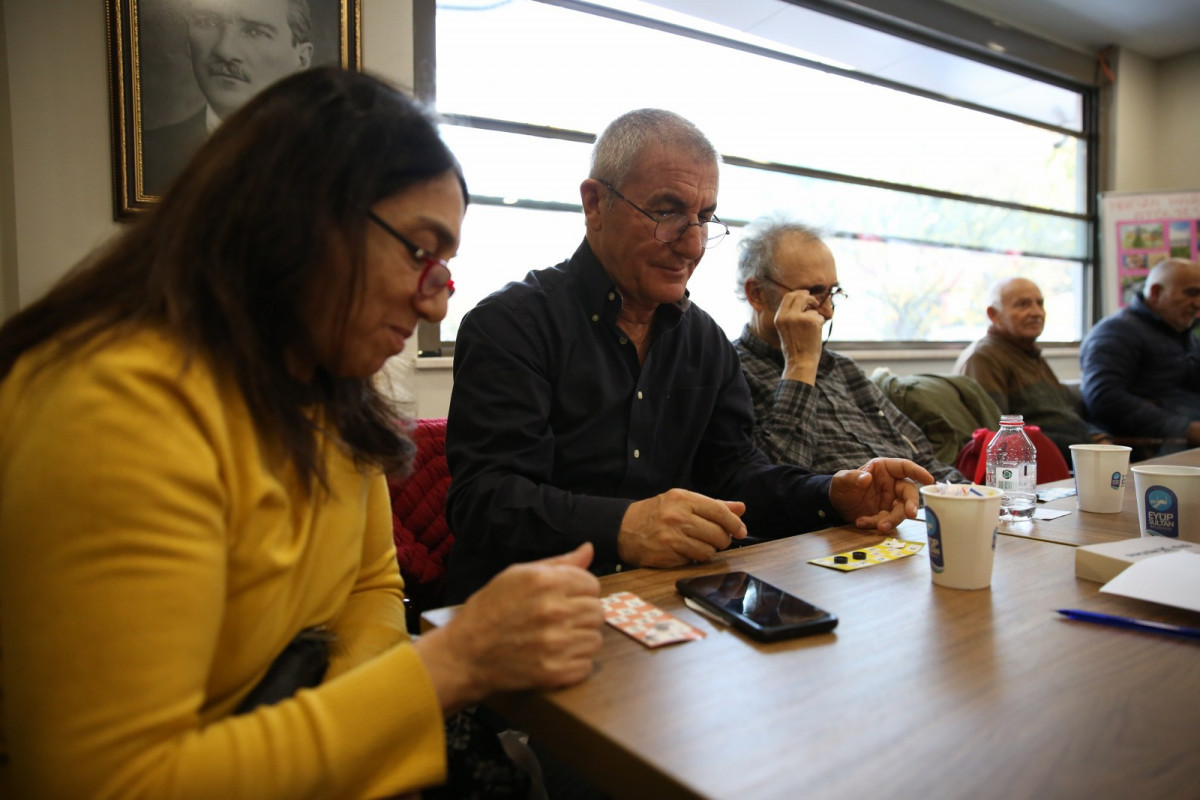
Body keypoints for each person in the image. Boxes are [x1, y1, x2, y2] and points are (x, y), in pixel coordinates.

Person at [0, 67, 604, 798]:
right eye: (421, 253)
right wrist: (454, 665)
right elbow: (115, 784)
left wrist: (349, 729)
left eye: (445, 268)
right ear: (301, 218)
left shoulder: (329, 396)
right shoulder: (119, 407)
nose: (437, 304)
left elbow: (371, 585)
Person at [443, 108, 932, 603]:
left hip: (665, 598)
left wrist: (830, 494)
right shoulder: (511, 325)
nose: (694, 244)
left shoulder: (704, 341)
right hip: (526, 604)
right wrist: (624, 526)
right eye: (667, 212)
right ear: (594, 204)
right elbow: (485, 500)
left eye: (704, 217)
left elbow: (735, 476)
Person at [733, 219, 965, 482]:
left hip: (920, 503)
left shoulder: (843, 368)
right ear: (757, 294)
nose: (828, 311)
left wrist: (974, 495)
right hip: (843, 507)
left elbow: (924, 459)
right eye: (814, 293)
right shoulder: (732, 372)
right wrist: (800, 365)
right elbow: (773, 480)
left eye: (832, 292)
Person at [142, 0, 315, 195]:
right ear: (188, 45)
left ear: (302, 59)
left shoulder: (328, 158)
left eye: (255, 32)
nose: (224, 51)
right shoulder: (145, 155)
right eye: (207, 23)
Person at [954, 276, 1107, 461]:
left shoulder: (1029, 353)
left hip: (1082, 456)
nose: (1036, 312)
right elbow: (996, 436)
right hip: (1043, 466)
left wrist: (1100, 440)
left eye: (1040, 304)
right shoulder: (983, 358)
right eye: (1023, 304)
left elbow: (1068, 416)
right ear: (993, 314)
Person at [1080, 258, 1200, 454]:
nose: (1198, 304)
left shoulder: (1184, 334)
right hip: (1156, 447)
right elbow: (1103, 398)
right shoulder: (1116, 332)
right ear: (1156, 292)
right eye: (1191, 293)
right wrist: (1186, 429)